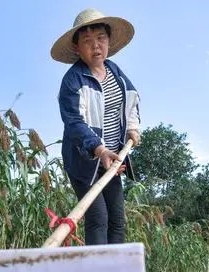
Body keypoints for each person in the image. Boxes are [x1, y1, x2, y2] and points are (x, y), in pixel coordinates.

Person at [50, 8, 141, 245]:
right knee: (98, 217)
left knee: (117, 219)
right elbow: (74, 123)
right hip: (85, 161)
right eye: (87, 41)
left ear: (109, 41)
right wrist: (99, 150)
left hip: (113, 158)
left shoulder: (115, 72)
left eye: (100, 38)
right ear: (77, 48)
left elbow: (131, 99)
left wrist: (132, 127)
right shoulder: (73, 80)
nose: (96, 46)